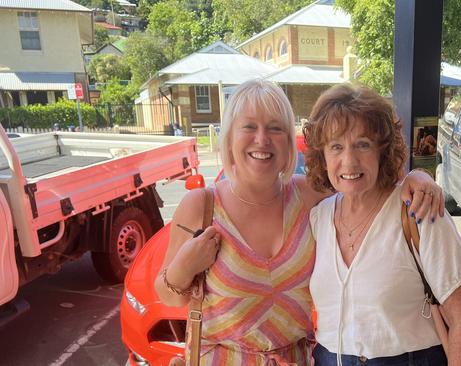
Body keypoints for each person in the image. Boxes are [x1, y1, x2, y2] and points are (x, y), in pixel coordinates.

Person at [153, 79, 445, 365]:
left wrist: (415, 177)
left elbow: (363, 180)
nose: (262, 138)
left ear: (289, 141)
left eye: (275, 128)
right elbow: (169, 297)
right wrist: (184, 267)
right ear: (229, 137)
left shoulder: (309, 195)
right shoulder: (202, 206)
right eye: (249, 126)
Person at [304, 84, 461, 366]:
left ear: (382, 151)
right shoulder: (318, 219)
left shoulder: (419, 213)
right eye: (336, 146)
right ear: (322, 156)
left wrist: (419, 175)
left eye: (362, 144)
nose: (349, 161)